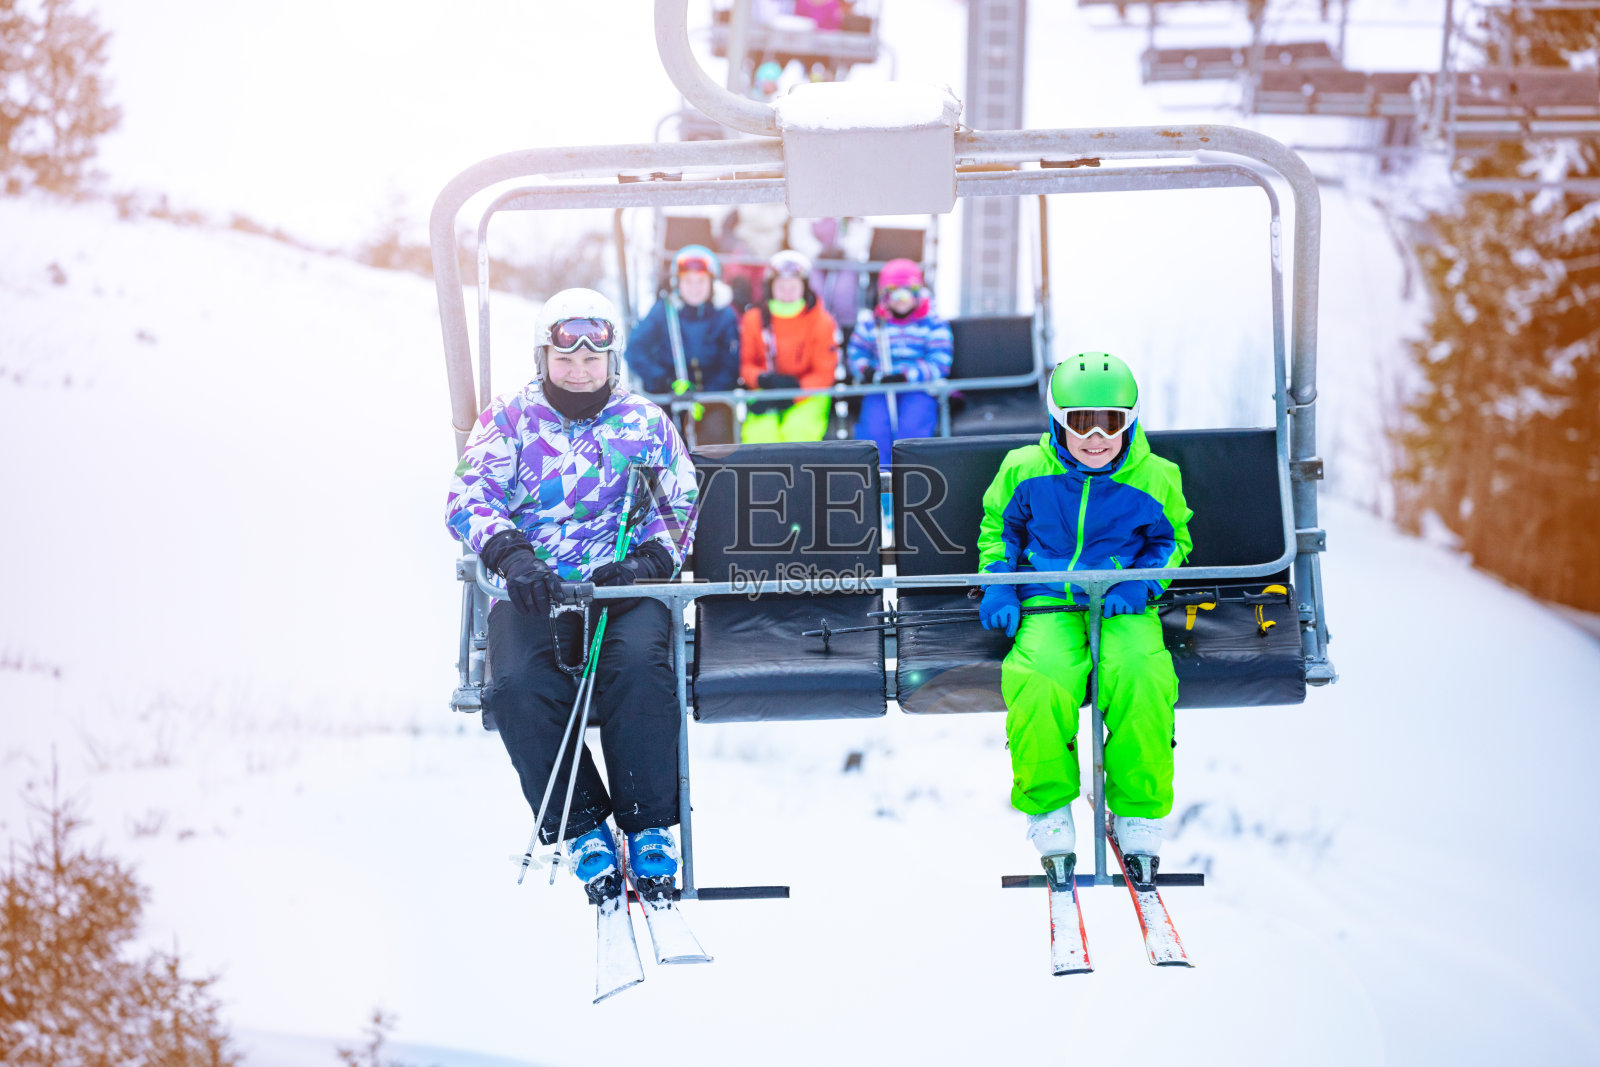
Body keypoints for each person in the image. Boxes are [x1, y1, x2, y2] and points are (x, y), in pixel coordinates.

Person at [444, 288, 699, 906]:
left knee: (640, 670)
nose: (580, 371)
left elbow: (679, 501)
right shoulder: (509, 418)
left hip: (620, 585)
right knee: (516, 690)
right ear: (543, 358)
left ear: (612, 360)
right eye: (566, 360)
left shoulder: (643, 422)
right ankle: (582, 826)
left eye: (594, 359)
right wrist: (511, 555)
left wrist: (646, 562)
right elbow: (468, 495)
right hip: (537, 588)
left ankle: (646, 825)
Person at [975, 353, 1192, 885]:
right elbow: (999, 531)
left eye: (1111, 421)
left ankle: (1137, 807)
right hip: (1048, 597)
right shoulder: (1025, 469)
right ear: (1058, 421)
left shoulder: (1156, 478)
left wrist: (1142, 582)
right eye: (1081, 422)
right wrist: (999, 586)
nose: (1096, 437)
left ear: (1130, 421)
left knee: (1141, 673)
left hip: (1122, 602)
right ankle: (1047, 806)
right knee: (1038, 676)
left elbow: (1172, 542)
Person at [625, 244, 741, 446]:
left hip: (712, 397)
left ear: (712, 283)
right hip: (671, 395)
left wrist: (704, 396)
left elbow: (730, 364)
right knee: (664, 439)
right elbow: (635, 351)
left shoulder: (725, 315)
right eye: (688, 281)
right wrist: (665, 381)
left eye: (701, 281)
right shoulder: (664, 311)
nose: (695, 288)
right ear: (677, 283)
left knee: (716, 439)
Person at [846, 258, 952, 471]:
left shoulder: (933, 323)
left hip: (917, 388)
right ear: (883, 294)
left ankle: (911, 482)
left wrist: (906, 376)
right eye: (894, 291)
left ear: (918, 291)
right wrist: (868, 372)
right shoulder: (873, 324)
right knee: (875, 430)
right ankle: (881, 486)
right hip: (881, 387)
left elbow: (940, 362)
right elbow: (855, 353)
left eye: (908, 291)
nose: (901, 298)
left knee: (912, 429)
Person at [738, 249, 839, 443]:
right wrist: (762, 379)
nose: (787, 292)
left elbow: (825, 373)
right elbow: (746, 364)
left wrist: (795, 391)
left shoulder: (821, 321)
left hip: (808, 393)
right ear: (770, 287)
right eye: (781, 286)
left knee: (798, 434)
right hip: (766, 391)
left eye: (793, 286)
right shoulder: (754, 319)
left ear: (804, 287)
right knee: (760, 437)